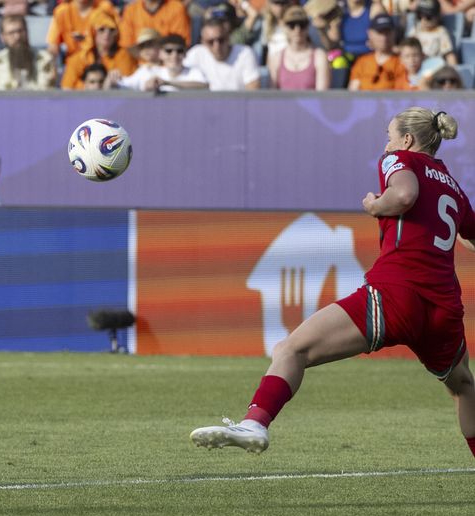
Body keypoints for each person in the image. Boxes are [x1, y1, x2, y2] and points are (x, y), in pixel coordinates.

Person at [190, 107, 475, 463]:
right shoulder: (454, 187)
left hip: (396, 294)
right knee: (463, 386)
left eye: (388, 136)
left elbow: (403, 196)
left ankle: (255, 423)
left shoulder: (399, 159)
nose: (385, 144)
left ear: (406, 139)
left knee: (291, 350)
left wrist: (376, 205)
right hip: (443, 309)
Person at [61, 10, 137, 89]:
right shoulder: (78, 59)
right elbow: (66, 89)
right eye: (101, 29)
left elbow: (127, 88)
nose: (107, 34)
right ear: (93, 32)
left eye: (111, 29)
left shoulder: (124, 56)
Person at [183, 17, 260, 90]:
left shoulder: (245, 53)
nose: (217, 46)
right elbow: (179, 76)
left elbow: (253, 90)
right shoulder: (196, 53)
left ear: (228, 38)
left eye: (221, 40)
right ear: (203, 42)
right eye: (210, 42)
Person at [267, 5, 330, 90]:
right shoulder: (276, 58)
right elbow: (272, 96)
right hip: (282, 103)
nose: (297, 30)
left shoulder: (319, 56)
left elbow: (322, 97)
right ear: (284, 27)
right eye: (292, 25)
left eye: (302, 25)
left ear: (308, 27)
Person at [119, 33, 207, 91]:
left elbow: (204, 86)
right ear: (160, 54)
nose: (174, 55)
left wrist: (168, 83)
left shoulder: (194, 72)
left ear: (185, 53)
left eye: (179, 51)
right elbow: (128, 85)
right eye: (169, 51)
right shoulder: (150, 71)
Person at [0, 15, 56, 89]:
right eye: (11, 33)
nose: (18, 37)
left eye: (20, 31)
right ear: (3, 37)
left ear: (27, 32)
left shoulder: (45, 60)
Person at [347, 14, 405, 90]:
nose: (384, 37)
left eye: (387, 32)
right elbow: (352, 92)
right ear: (370, 34)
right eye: (380, 32)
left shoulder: (402, 62)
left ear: (394, 33)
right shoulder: (362, 62)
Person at [46, 0, 119, 60]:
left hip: (103, 61)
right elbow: (53, 47)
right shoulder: (62, 11)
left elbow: (119, 37)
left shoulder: (104, 7)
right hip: (74, 63)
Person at [118, 0, 191, 49]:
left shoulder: (176, 8)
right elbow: (126, 45)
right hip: (139, 64)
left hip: (167, 63)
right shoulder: (131, 10)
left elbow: (180, 44)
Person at [408, 0, 458, 66]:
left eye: (428, 17)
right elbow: (406, 47)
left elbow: (449, 55)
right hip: (414, 65)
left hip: (433, 66)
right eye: (419, 16)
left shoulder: (441, 32)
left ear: (438, 16)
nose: (423, 20)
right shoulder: (415, 30)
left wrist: (454, 69)